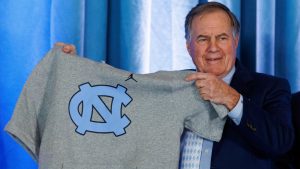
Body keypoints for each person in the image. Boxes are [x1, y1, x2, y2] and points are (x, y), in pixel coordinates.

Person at [57, 2, 294, 169]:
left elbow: (280, 143)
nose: (213, 47)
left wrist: (231, 98)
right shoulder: (171, 86)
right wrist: (77, 69)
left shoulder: (270, 88)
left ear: (235, 41)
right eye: (202, 39)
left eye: (222, 38)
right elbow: (119, 94)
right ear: (188, 46)